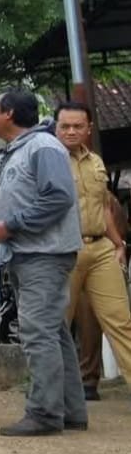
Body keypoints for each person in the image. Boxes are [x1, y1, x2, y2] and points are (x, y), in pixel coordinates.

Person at [0, 88, 85, 436]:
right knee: (53, 331)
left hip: (45, 254)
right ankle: (70, 410)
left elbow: (59, 198)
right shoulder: (16, 152)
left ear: (8, 113)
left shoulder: (43, 147)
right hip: (28, 252)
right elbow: (23, 199)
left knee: (38, 331)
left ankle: (43, 413)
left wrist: (10, 226)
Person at [54, 102, 131, 403]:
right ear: (56, 128)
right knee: (57, 325)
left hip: (100, 249)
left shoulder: (96, 162)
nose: (71, 131)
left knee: (121, 321)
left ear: (88, 129)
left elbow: (102, 208)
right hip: (65, 249)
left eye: (77, 126)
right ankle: (53, 398)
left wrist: (118, 244)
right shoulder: (50, 160)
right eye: (65, 126)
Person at [74, 181, 129, 399]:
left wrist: (117, 246)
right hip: (75, 254)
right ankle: (85, 379)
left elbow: (119, 228)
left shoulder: (106, 199)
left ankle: (88, 379)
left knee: (109, 323)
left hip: (100, 257)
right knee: (83, 324)